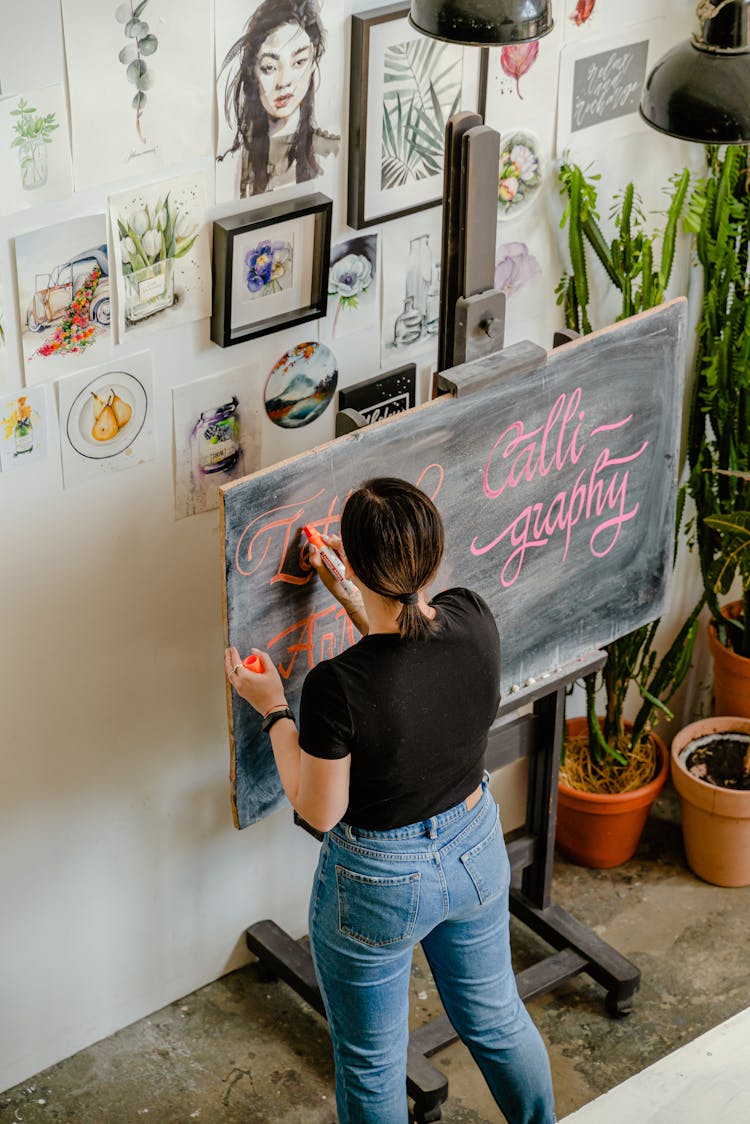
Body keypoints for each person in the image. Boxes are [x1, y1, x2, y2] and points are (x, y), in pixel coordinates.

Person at [225, 477, 556, 1124]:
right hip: (475, 847)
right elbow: (410, 656)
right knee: (496, 1017)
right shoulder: (474, 617)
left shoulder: (334, 687)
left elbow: (320, 811)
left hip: (380, 880)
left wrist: (272, 710)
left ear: (357, 557)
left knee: (373, 1065)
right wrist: (354, 594)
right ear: (431, 556)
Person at [217, 0, 340, 197]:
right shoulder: (230, 166)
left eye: (299, 62)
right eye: (269, 68)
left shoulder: (331, 154)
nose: (284, 82)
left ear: (313, 64)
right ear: (253, 73)